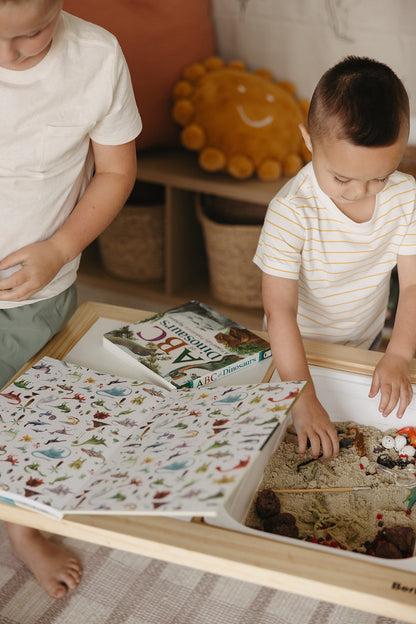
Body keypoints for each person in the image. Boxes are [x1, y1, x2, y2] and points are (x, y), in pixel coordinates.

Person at [0, 0, 142, 599]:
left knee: (26, 422)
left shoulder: (96, 57)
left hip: (35, 296)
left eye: (30, 36)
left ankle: (22, 527)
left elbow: (114, 172)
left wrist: (58, 249)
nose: (7, 55)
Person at [254, 56, 416, 462]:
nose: (359, 192)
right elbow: (280, 312)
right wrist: (301, 397)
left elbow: (413, 285)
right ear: (308, 140)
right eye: (341, 178)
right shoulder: (291, 211)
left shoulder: (405, 195)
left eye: (379, 177)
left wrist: (397, 354)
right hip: (294, 354)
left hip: (362, 344)